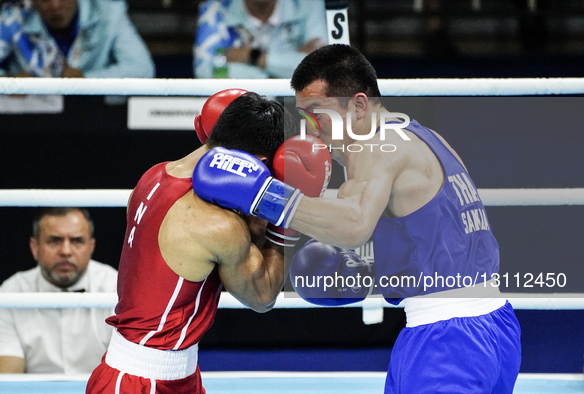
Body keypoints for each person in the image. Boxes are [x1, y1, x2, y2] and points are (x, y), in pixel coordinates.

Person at [194, 44, 522, 393]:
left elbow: (353, 224)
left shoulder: (374, 148)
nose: (312, 131)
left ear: (359, 105)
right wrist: (369, 268)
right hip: (494, 324)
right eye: (304, 118)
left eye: (318, 115)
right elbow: (441, 236)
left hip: (446, 339)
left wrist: (263, 195)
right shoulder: (424, 137)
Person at [85, 91, 330, 393]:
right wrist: (286, 215)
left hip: (168, 371)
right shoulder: (216, 224)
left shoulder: (153, 175)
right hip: (141, 383)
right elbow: (263, 295)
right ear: (262, 163)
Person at [0, 207, 117, 374]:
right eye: (54, 240)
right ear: (34, 247)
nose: (65, 251)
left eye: (77, 241)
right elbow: (7, 380)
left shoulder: (118, 291)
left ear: (91, 247)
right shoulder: (5, 297)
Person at [0, 0, 154, 78]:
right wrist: (5, 81)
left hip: (92, 116)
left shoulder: (109, 11)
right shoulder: (13, 16)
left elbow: (142, 69)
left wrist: (87, 79)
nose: (55, 5)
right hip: (29, 119)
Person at [193, 0, 327, 79]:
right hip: (242, 107)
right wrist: (277, 77)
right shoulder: (216, 8)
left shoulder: (309, 3)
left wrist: (253, 57)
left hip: (298, 106)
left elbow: (322, 67)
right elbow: (206, 71)